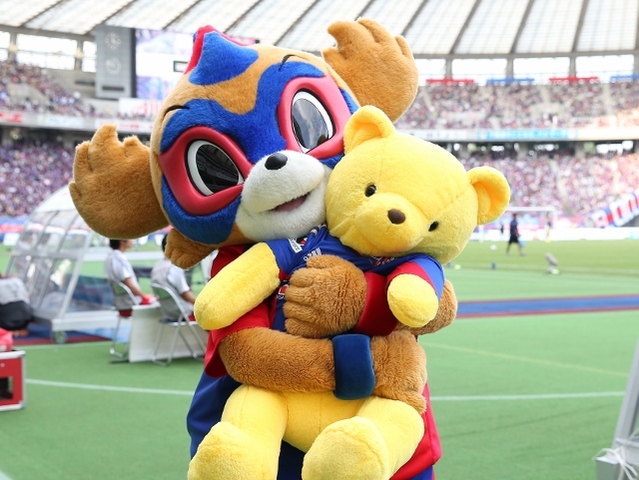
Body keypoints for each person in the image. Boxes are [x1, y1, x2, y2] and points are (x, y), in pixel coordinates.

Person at [151, 234, 196, 320]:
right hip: (184, 315)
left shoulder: (157, 267)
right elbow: (187, 296)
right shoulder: (174, 268)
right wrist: (204, 305)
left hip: (168, 314)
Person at [104, 239, 153, 308]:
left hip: (120, 301)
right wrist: (144, 296)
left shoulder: (109, 257)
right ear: (122, 241)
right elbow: (129, 285)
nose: (133, 240)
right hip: (131, 302)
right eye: (130, 237)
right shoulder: (119, 259)